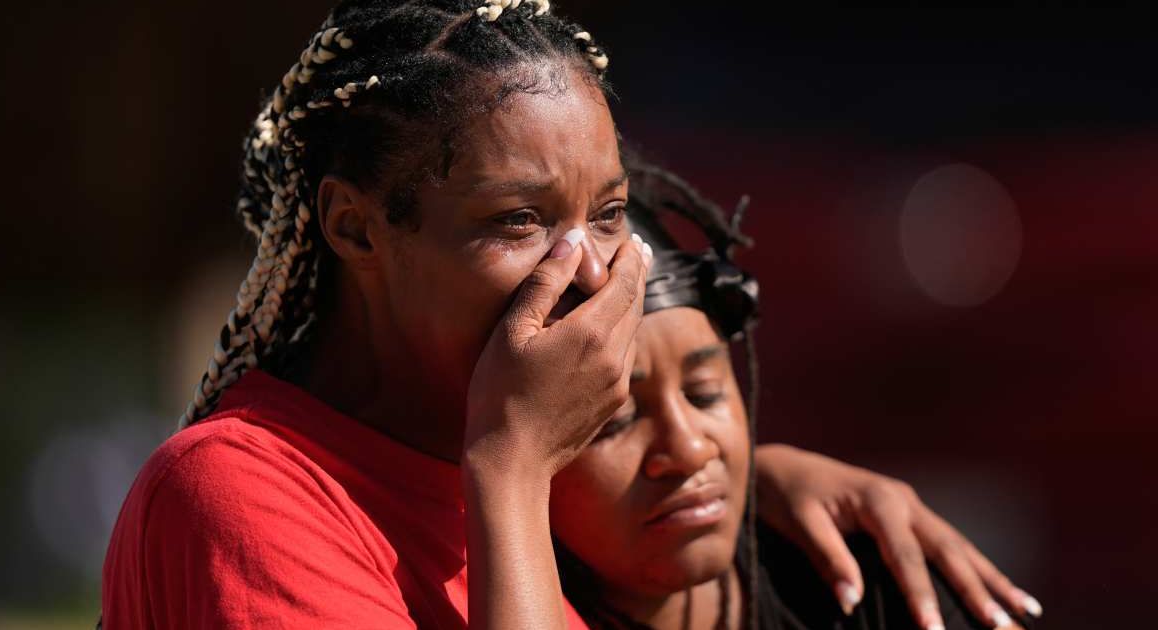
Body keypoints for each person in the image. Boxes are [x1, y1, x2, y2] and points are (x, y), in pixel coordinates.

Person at [101, 2, 1039, 628]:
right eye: (518, 220)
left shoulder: (548, 481)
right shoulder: (240, 497)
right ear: (355, 228)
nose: (590, 274)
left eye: (609, 213)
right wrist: (511, 466)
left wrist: (743, 496)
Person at [548, 161, 1040, 630]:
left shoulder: (872, 584)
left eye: (704, 394)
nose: (690, 449)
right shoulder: (488, 601)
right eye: (615, 420)